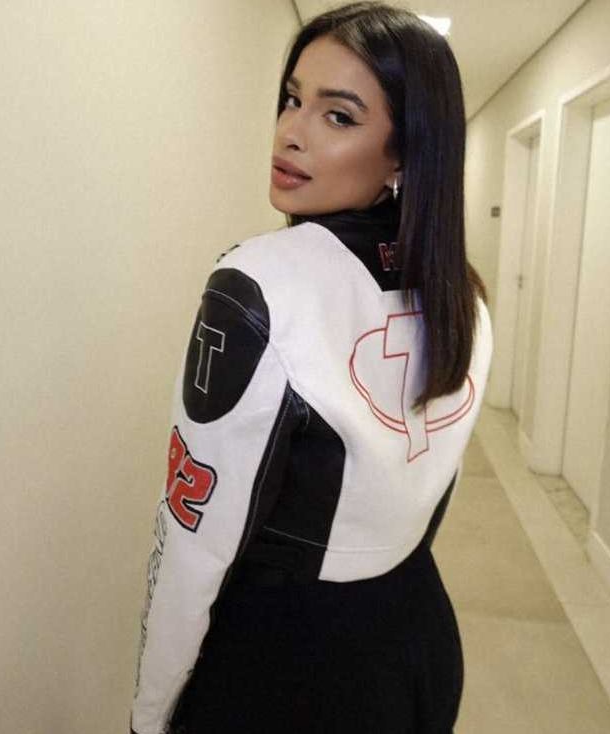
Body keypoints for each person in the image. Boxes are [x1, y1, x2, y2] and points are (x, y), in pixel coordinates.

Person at [129, 2, 493, 733]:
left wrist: (150, 709)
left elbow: (194, 545)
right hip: (419, 638)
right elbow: (430, 493)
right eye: (293, 99)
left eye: (339, 116)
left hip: (289, 669)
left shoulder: (258, 283)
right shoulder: (466, 295)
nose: (290, 132)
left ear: (404, 154)